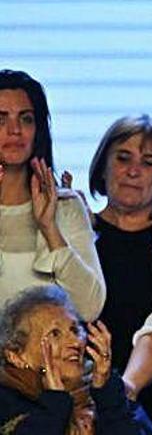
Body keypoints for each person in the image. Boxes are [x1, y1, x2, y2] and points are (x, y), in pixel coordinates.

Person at [88, 115, 152, 434]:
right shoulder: (79, 235)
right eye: (123, 158)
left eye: (148, 162)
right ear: (102, 165)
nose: (132, 171)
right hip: (85, 404)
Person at [0, 70, 105, 322]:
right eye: (1, 119)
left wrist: (49, 228)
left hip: (49, 359)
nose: (15, 130)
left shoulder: (66, 207)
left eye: (26, 119)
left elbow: (89, 308)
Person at [0, 285, 152, 434]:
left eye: (75, 330)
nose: (76, 342)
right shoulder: (6, 404)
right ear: (15, 356)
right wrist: (56, 403)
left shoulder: (109, 393)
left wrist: (106, 393)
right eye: (55, 334)